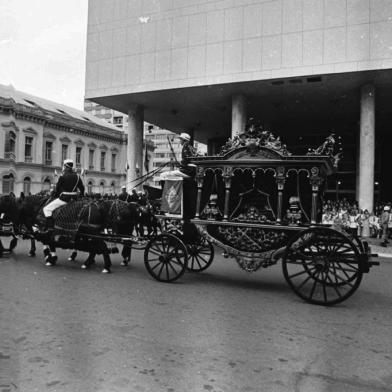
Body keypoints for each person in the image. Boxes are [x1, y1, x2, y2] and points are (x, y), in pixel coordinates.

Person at [43, 159, 84, 231]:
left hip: (64, 199)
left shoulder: (63, 176)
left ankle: (50, 227)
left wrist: (55, 195)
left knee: (46, 209)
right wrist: (81, 196)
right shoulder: (77, 176)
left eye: (64, 166)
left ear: (65, 166)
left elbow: (58, 189)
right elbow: (82, 188)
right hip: (74, 199)